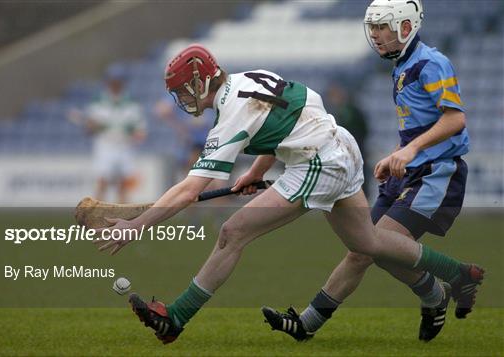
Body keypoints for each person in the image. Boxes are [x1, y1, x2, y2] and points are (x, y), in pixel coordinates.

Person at [94, 44, 483, 344]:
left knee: (233, 232)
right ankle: (459, 273)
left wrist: (138, 224)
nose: (182, 99)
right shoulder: (251, 78)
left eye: (183, 90)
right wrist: (258, 171)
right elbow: (298, 110)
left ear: (199, 81)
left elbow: (190, 191)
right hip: (340, 147)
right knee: (367, 242)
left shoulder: (229, 116)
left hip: (318, 161)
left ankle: (175, 319)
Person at [265, 0, 474, 343]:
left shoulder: (431, 63)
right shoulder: (400, 66)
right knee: (364, 250)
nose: (376, 36)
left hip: (436, 172)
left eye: (384, 27)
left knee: (376, 245)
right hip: (408, 172)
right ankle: (307, 323)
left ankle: (455, 279)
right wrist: (395, 154)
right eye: (373, 28)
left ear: (407, 27)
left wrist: (409, 150)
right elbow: (418, 126)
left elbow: (455, 118)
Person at [69, 64, 146, 203]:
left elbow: (139, 129)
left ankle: (124, 220)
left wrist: (136, 134)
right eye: (113, 81)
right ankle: (97, 219)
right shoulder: (97, 102)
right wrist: (92, 126)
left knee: (123, 184)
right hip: (105, 145)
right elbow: (89, 130)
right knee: (102, 181)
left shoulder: (132, 103)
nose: (115, 84)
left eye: (118, 81)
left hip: (125, 146)